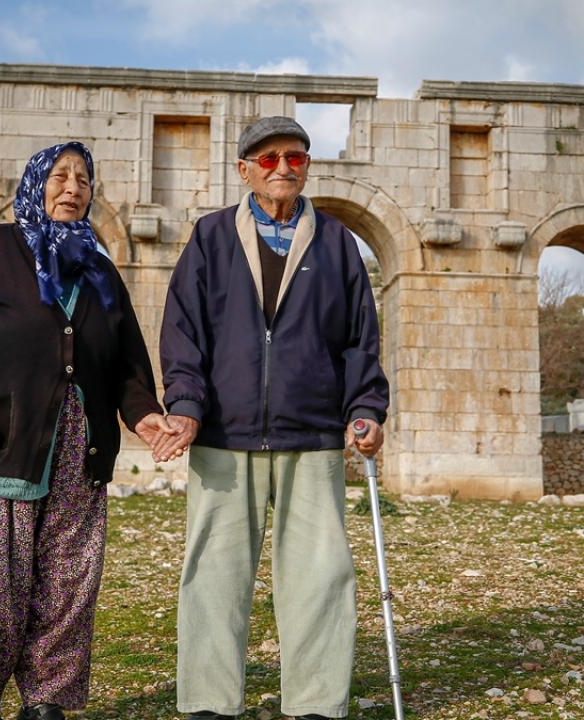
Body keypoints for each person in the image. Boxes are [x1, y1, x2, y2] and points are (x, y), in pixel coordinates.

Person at [0, 141, 176, 720]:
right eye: (60, 176)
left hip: (77, 451)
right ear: (36, 184)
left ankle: (48, 703)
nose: (73, 188)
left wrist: (145, 415)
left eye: (84, 180)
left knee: (69, 584)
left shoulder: (100, 269)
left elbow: (128, 366)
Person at [158, 116, 390, 720]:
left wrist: (365, 408)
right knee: (212, 576)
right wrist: (185, 407)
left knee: (321, 577)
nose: (284, 167)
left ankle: (315, 704)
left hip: (311, 437)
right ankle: (210, 703)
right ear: (244, 171)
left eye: (296, 157)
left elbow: (360, 340)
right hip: (223, 436)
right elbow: (182, 333)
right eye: (268, 159)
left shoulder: (338, 243)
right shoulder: (209, 238)